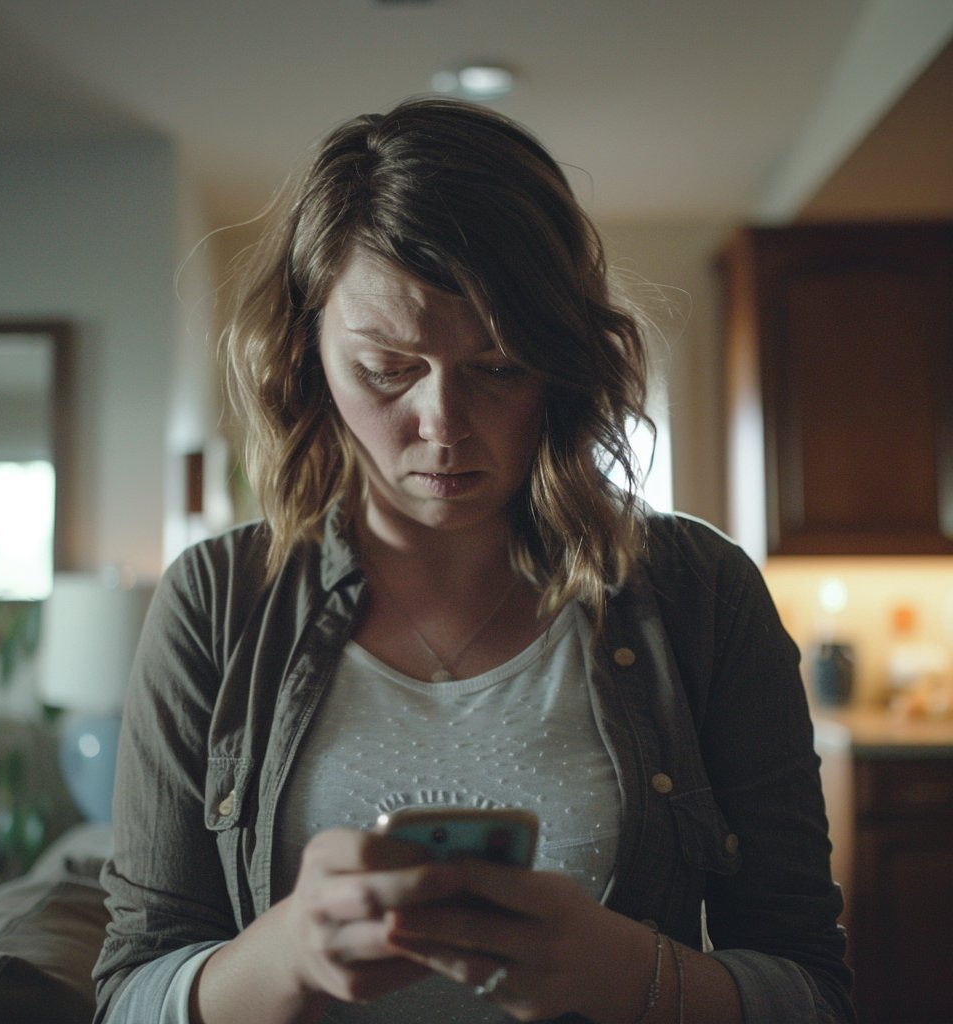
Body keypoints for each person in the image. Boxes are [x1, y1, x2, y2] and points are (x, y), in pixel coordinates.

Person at [93, 97, 854, 1024]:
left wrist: (627, 974)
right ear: (305, 354)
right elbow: (128, 994)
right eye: (386, 369)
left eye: (498, 368)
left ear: (565, 366)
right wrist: (284, 955)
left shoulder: (701, 591)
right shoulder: (217, 601)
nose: (443, 427)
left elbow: (812, 989)